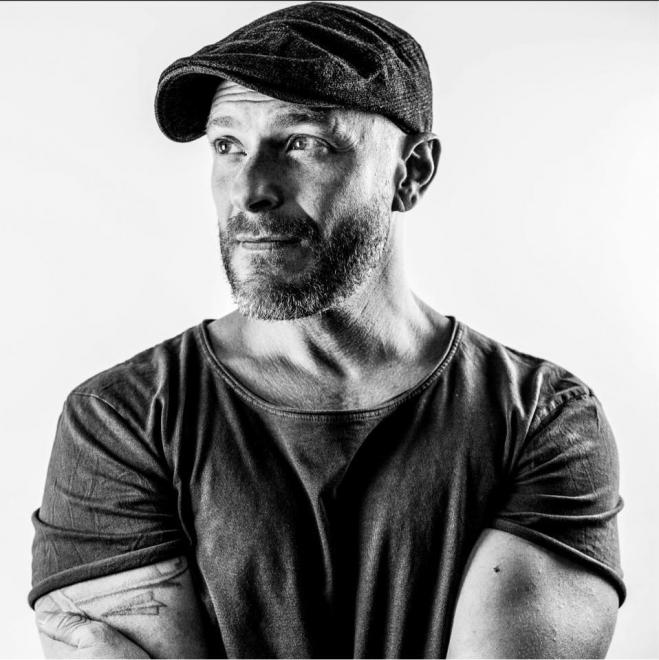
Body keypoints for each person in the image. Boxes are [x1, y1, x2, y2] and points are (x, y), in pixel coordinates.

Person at [30, 2, 625, 658]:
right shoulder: (124, 419)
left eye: (302, 142)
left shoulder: (542, 420)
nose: (250, 190)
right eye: (227, 145)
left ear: (411, 172)